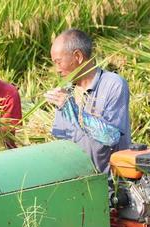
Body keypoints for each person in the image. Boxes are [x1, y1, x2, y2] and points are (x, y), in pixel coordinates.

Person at [45, 29, 131, 173]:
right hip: (79, 181)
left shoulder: (113, 84)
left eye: (58, 62)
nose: (57, 69)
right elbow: (62, 141)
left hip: (112, 183)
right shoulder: (67, 91)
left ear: (78, 56)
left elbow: (111, 137)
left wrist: (71, 108)